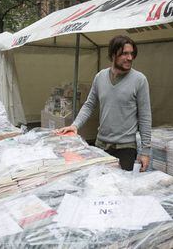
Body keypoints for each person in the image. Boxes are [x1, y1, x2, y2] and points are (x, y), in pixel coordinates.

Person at [56, 35, 152, 172]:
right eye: (125, 53)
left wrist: (145, 152)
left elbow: (145, 117)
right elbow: (89, 105)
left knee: (120, 190)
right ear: (113, 54)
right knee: (99, 186)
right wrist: (75, 125)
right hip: (100, 145)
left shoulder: (140, 80)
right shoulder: (100, 77)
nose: (130, 58)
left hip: (125, 149)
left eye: (132, 54)